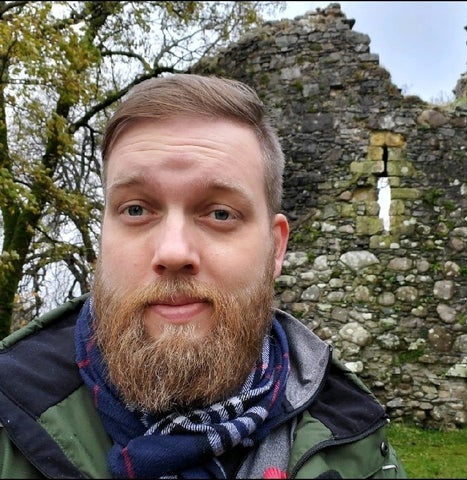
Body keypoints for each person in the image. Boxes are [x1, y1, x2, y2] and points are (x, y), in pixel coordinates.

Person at [0, 73, 406, 479]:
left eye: (220, 214)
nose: (173, 252)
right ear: (104, 236)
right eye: (137, 210)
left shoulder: (359, 448)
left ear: (276, 247)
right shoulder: (9, 421)